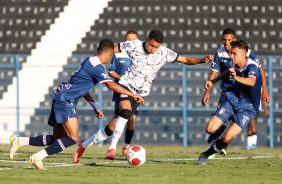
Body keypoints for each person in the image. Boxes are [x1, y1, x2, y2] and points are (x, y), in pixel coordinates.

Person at [73, 29, 214, 163]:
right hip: (124, 85)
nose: (153, 49)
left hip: (140, 93)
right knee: (126, 112)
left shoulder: (164, 53)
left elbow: (185, 60)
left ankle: (84, 145)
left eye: (156, 47)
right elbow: (109, 50)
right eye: (151, 45)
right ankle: (112, 149)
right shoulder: (134, 45)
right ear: (146, 39)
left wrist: (202, 60)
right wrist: (98, 61)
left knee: (110, 129)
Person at [8, 39, 144, 170]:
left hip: (60, 95)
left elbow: (82, 88)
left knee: (58, 138)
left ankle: (20, 141)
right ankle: (38, 157)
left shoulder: (91, 61)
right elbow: (111, 85)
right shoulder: (97, 66)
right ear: (110, 54)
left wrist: (95, 106)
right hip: (65, 100)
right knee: (73, 138)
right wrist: (133, 94)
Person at [201, 28, 270, 157]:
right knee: (212, 127)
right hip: (227, 92)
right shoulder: (220, 53)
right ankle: (219, 134)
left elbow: (259, 71)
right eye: (224, 40)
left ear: (234, 40)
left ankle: (219, 148)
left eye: (229, 40)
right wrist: (208, 90)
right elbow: (216, 72)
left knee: (231, 130)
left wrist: (264, 91)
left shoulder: (247, 55)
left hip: (242, 94)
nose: (226, 43)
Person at [108, 30, 139, 156]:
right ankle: (107, 143)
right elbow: (111, 71)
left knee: (131, 118)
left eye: (133, 39)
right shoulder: (118, 53)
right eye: (128, 39)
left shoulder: (140, 54)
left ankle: (126, 146)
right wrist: (121, 78)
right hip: (120, 89)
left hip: (135, 91)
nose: (130, 41)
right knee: (116, 119)